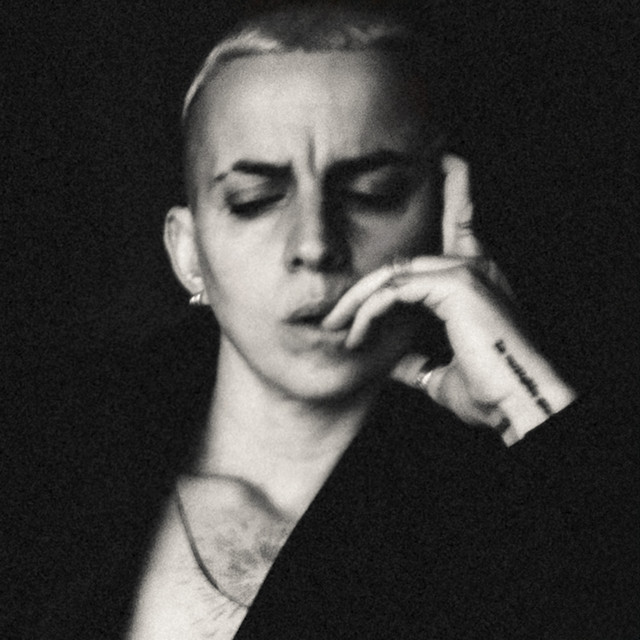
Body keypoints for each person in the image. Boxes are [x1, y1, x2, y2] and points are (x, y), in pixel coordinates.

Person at [31, 5, 637, 639]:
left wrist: (526, 401)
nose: (316, 244)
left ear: (443, 217)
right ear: (189, 255)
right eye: (254, 201)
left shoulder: (510, 517)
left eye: (373, 192)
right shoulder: (49, 474)